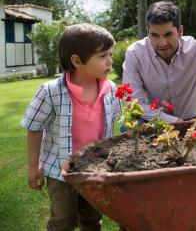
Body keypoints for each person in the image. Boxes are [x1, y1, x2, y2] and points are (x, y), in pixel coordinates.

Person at [21, 23, 121, 231]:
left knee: (92, 219)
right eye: (103, 56)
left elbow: (111, 129)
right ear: (76, 60)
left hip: (94, 168)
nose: (110, 61)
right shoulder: (50, 91)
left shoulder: (111, 89)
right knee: (64, 220)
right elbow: (34, 127)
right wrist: (33, 167)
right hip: (60, 172)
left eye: (110, 54)